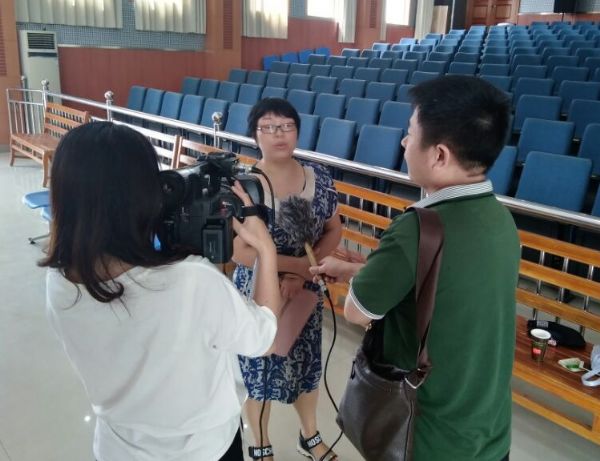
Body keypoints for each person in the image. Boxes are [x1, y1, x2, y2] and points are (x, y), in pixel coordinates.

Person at [40, 121, 282, 461]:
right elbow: (265, 340)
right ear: (140, 196)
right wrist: (266, 250)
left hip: (118, 448)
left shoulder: (59, 281)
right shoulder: (192, 281)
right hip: (203, 450)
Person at [310, 76, 520, 461]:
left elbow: (357, 312)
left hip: (429, 436)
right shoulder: (500, 219)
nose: (404, 143)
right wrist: (362, 270)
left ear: (439, 155)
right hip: (489, 432)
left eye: (410, 132)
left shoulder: (418, 229)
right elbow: (442, 285)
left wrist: (364, 278)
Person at [232, 98, 342, 461]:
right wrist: (295, 267)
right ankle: (260, 444)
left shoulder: (319, 177)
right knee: (259, 372)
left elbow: (333, 230)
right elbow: (239, 252)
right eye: (268, 126)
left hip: (305, 293)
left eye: (287, 126)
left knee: (306, 368)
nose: (278, 133)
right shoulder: (244, 185)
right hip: (258, 292)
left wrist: (301, 273)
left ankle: (309, 437)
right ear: (255, 135)